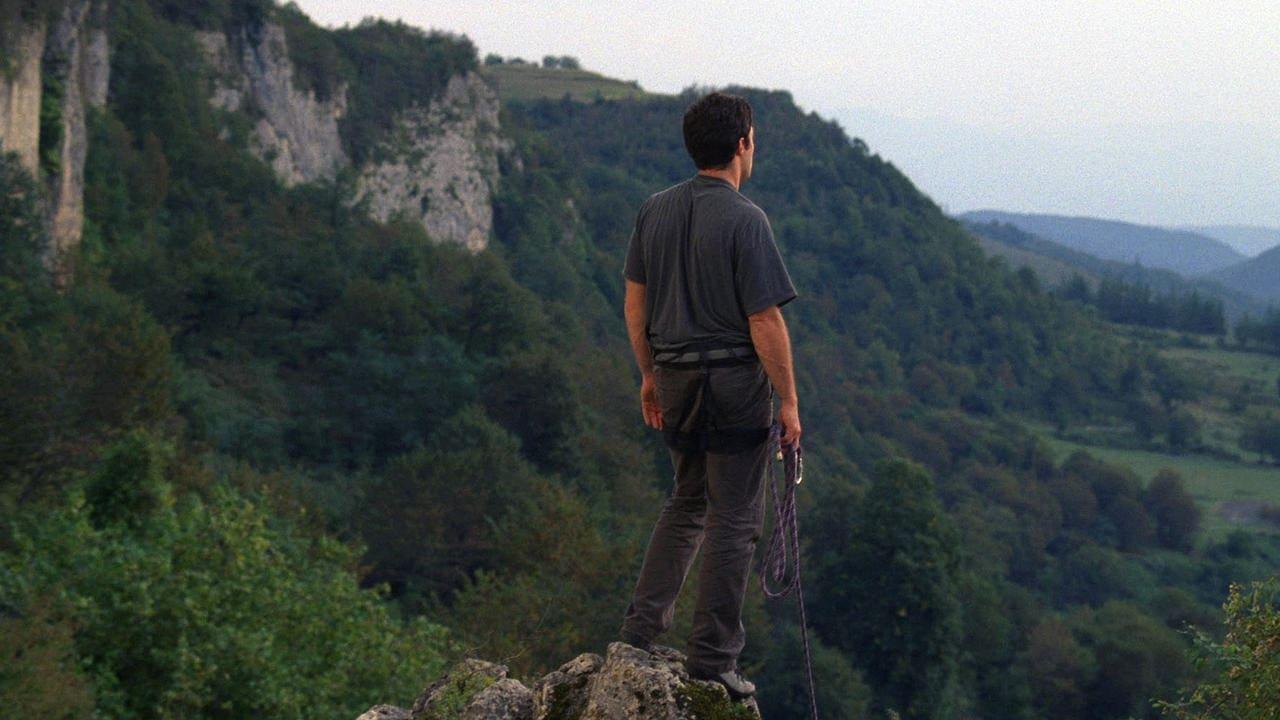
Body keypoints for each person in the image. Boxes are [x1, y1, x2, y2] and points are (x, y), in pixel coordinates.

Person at [616, 90, 801, 700]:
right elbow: (765, 321)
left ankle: (638, 635)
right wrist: (790, 403)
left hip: (672, 376)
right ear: (743, 143)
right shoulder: (747, 219)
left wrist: (648, 374)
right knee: (735, 519)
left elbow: (636, 303)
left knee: (685, 502)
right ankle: (713, 658)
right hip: (732, 384)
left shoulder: (653, 210)